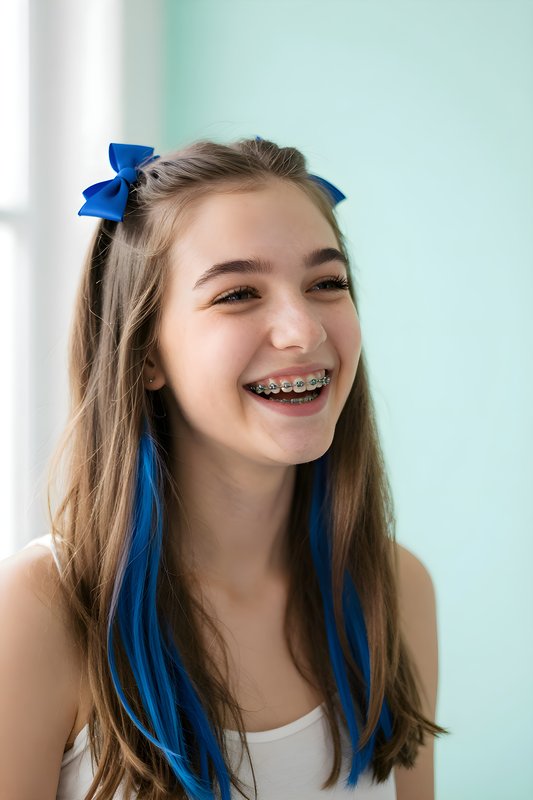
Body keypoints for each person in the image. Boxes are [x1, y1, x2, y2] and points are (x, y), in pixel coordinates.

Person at [0, 137, 446, 800]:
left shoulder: (392, 587)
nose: (302, 330)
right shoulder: (44, 611)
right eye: (238, 293)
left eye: (326, 283)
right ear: (145, 355)